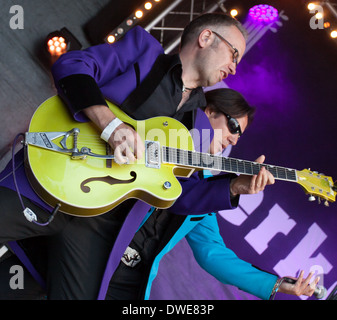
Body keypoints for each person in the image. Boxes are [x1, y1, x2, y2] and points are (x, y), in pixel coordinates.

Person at [0, 13, 277, 299]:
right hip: (54, 183)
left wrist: (234, 187)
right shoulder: (142, 51)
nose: (233, 68)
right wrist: (110, 125)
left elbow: (177, 194)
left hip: (97, 230)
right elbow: (73, 65)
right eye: (233, 55)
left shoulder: (201, 129)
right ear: (206, 38)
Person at [104, 88, 320, 300]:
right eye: (233, 126)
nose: (234, 139)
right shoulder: (164, 133)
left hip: (131, 279)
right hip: (100, 249)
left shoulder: (210, 188)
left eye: (239, 135)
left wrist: (277, 285)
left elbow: (212, 253)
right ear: (209, 111)